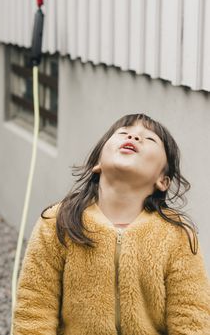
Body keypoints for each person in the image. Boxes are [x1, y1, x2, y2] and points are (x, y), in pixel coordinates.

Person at [13, 113, 210, 334]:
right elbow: (35, 307)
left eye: (150, 139)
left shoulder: (177, 234)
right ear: (97, 163)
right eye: (124, 133)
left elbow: (192, 317)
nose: (134, 137)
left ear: (163, 180)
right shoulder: (58, 221)